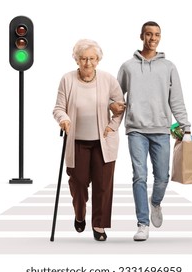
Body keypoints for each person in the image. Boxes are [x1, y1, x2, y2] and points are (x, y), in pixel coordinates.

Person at [111, 21, 192, 241]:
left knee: (162, 177)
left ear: (160, 37)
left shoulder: (169, 67)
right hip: (136, 129)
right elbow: (117, 98)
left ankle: (155, 202)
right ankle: (142, 223)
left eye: (156, 34)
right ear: (141, 36)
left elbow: (177, 101)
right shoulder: (127, 66)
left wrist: (185, 126)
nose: (152, 38)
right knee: (139, 176)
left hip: (161, 130)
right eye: (148, 34)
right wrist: (112, 124)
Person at [53, 39, 125, 241]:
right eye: (83, 58)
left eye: (92, 58)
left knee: (103, 185)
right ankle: (79, 214)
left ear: (98, 60)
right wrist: (64, 119)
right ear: (76, 59)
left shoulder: (108, 79)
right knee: (78, 183)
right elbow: (58, 108)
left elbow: (120, 106)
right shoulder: (67, 80)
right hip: (76, 142)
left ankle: (99, 225)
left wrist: (113, 125)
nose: (88, 63)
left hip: (103, 142)